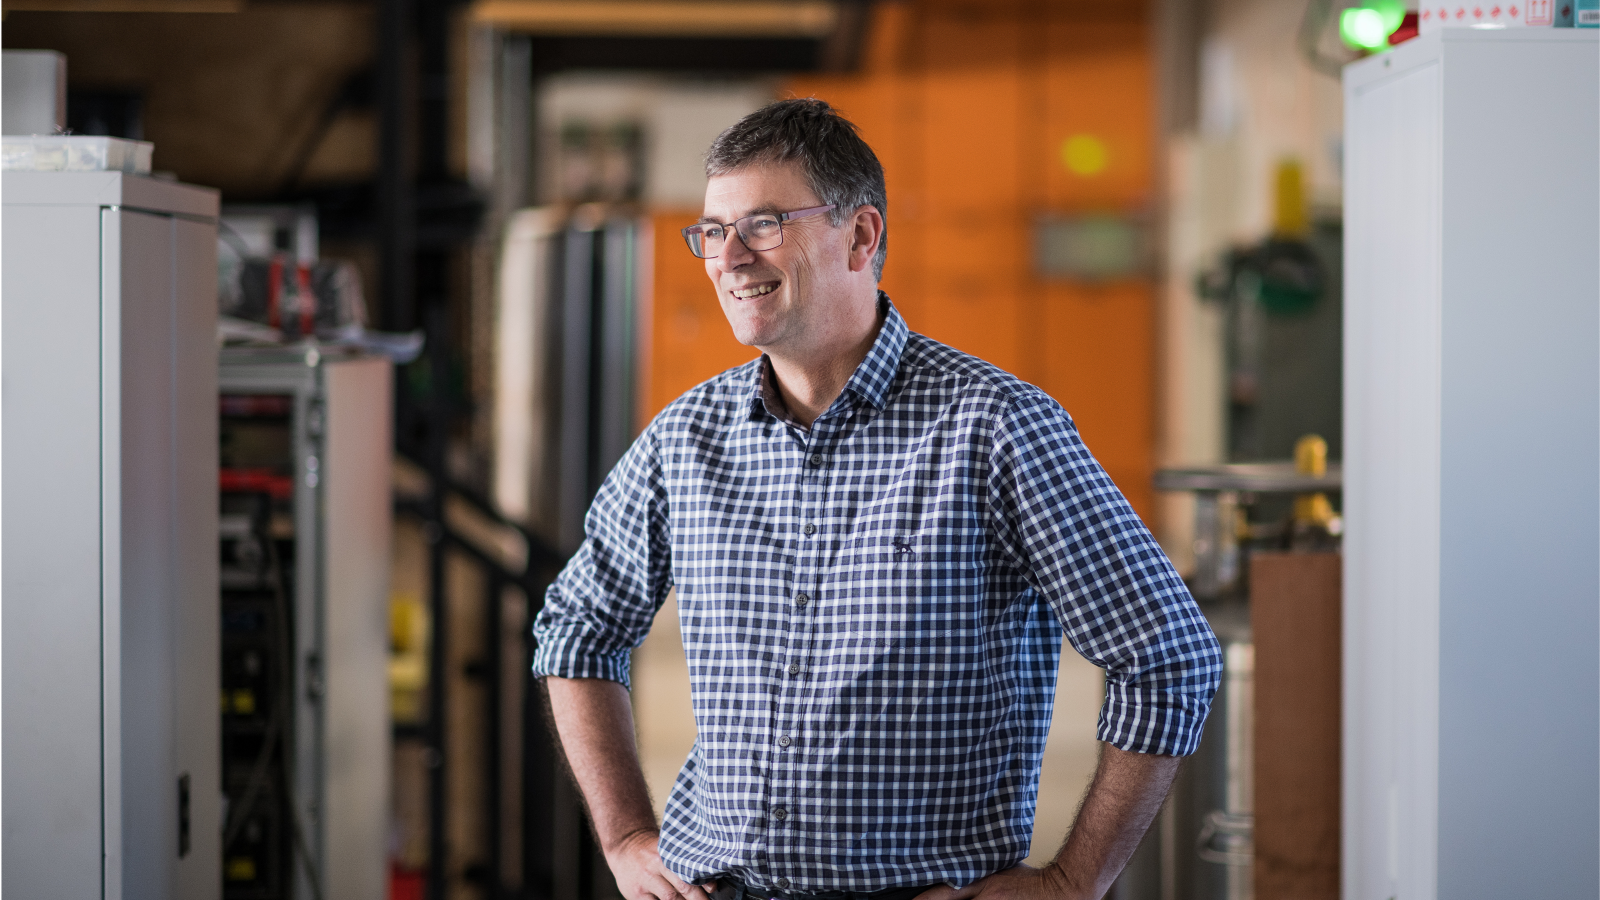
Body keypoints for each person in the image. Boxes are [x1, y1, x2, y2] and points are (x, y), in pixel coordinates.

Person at [532, 98, 1222, 900]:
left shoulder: (993, 428)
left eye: (763, 224)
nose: (729, 257)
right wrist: (622, 837)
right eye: (713, 231)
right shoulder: (684, 440)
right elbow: (577, 631)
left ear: (860, 236)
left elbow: (1167, 655)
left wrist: (1073, 882)